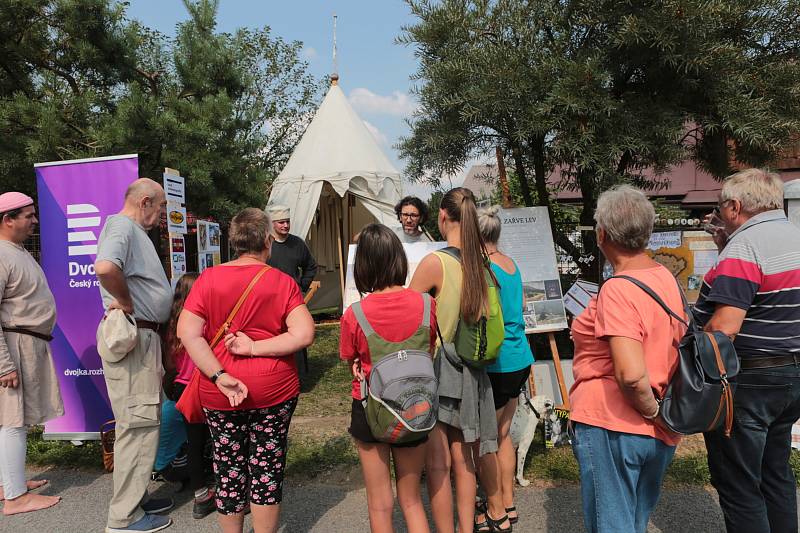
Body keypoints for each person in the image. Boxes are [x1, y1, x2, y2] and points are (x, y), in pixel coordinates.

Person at [177, 207, 314, 533]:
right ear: (268, 241)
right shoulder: (282, 282)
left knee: (228, 468)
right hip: (274, 390)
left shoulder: (208, 279)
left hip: (220, 391)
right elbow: (303, 334)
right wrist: (256, 347)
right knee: (266, 466)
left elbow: (187, 332)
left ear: (233, 241)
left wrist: (219, 375)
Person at [569, 185, 685, 533]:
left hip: (614, 424)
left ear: (602, 234)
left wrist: (654, 413)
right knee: (633, 522)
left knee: (612, 526)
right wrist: (662, 418)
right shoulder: (665, 277)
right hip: (657, 430)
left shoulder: (618, 289)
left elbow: (632, 375)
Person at [695, 169, 800, 533]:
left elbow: (724, 326)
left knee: (739, 483)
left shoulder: (747, 245)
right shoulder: (794, 236)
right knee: (776, 473)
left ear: (735, 206)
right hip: (792, 374)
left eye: (720, 207)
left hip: (752, 378)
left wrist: (695, 357)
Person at [409, 187, 498, 533]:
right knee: (466, 462)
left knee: (438, 465)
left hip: (438, 371)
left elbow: (408, 315)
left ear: (443, 217)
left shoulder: (436, 263)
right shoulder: (483, 262)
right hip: (472, 373)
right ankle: (466, 527)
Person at [339, 223, 436, 533]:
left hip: (370, 408)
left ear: (363, 265)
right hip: (416, 405)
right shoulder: (426, 304)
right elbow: (429, 347)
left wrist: (357, 364)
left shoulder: (355, 313)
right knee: (411, 500)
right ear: (398, 257)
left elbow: (350, 359)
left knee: (380, 502)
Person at [95, 178, 174, 533]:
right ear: (145, 202)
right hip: (135, 337)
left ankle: (136, 497)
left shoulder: (128, 230)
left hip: (144, 337)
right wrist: (126, 301)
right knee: (137, 426)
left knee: (143, 421)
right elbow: (105, 267)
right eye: (160, 209)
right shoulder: (121, 225)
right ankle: (124, 517)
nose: (160, 217)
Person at [0, 192, 63, 516]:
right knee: (13, 420)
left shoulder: (15, 251)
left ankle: (9, 482)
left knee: (10, 421)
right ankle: (14, 498)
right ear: (7, 219)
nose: (34, 221)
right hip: (13, 347)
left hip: (24, 344)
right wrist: (3, 364)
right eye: (28, 215)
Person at [475, 205, 535, 530]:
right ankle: (508, 504)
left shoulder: (483, 268)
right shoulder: (510, 264)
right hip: (520, 356)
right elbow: (521, 305)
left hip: (497, 362)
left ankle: (495, 508)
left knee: (489, 439)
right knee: (503, 434)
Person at [163, 273, 216, 519]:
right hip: (205, 384)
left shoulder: (172, 324)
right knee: (217, 439)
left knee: (194, 443)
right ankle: (224, 490)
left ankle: (200, 495)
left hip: (183, 388)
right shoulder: (202, 321)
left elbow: (170, 363)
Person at [265, 204, 317, 375]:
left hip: (293, 300)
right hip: (268, 300)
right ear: (272, 223)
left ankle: (299, 376)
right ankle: (276, 372)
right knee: (272, 337)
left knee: (297, 335)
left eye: (287, 222)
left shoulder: (297, 244)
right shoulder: (264, 244)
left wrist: (302, 284)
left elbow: (310, 265)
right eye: (281, 222)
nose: (285, 226)